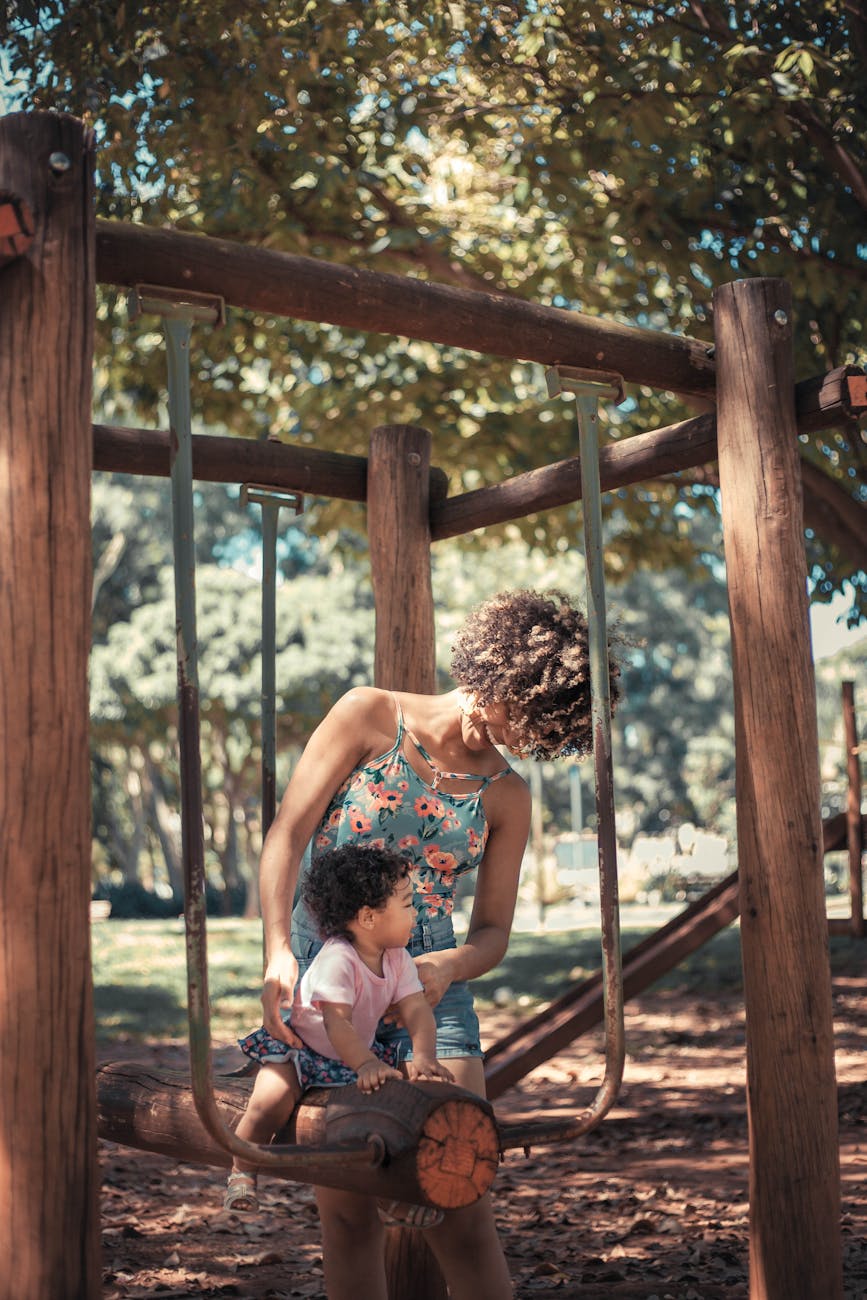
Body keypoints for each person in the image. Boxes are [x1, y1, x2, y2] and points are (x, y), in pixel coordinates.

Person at [257, 588, 619, 1300]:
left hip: (432, 992)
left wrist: (444, 966)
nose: (531, 736)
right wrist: (277, 951)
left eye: (551, 728)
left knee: (458, 1201)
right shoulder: (369, 713)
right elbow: (286, 836)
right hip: (330, 975)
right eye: (532, 712)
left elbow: (492, 933)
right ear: (502, 675)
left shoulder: (507, 796)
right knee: (349, 1213)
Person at [224, 843, 454, 1214]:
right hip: (303, 1051)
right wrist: (365, 1065)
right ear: (368, 918)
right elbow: (336, 1023)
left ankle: (391, 1193)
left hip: (352, 1055)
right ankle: (242, 1172)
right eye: (409, 904)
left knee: (390, 1110)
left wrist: (425, 1055)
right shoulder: (338, 960)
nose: (417, 913)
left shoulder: (397, 958)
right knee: (269, 1102)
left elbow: (416, 1009)